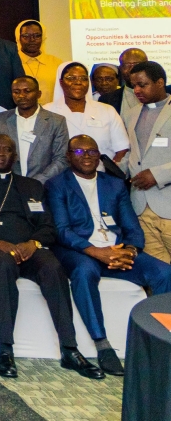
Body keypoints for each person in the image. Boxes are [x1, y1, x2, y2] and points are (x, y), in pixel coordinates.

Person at [0, 134, 103, 379]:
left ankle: (70, 349)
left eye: (6, 150)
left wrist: (33, 243)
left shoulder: (32, 186)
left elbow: (48, 226)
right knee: (3, 266)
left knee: (53, 267)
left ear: (14, 157)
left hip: (30, 249)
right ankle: (5, 349)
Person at [46, 134, 171, 375]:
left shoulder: (113, 184)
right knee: (84, 272)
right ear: (69, 156)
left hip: (116, 251)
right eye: (80, 152)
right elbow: (61, 231)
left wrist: (129, 251)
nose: (87, 156)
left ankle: (160, 342)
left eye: (92, 151)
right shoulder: (57, 185)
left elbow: (132, 228)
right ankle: (102, 345)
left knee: (164, 273)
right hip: (79, 251)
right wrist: (96, 252)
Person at [123, 61, 171, 264]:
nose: (137, 90)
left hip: (168, 201)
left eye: (142, 85)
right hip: (141, 207)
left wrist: (157, 174)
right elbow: (133, 155)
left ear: (160, 82)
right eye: (134, 86)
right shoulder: (131, 113)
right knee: (159, 274)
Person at [44, 62, 129, 165]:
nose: (78, 82)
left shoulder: (107, 110)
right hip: (61, 177)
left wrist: (110, 172)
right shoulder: (46, 111)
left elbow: (122, 148)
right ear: (61, 83)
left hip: (102, 175)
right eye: (71, 78)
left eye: (83, 78)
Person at [0, 76, 69, 184]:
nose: (21, 96)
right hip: (9, 185)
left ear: (39, 94)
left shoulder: (56, 121)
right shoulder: (1, 119)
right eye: (16, 92)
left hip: (43, 185)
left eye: (27, 91)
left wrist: (38, 181)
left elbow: (61, 158)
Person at [15, 20, 61, 106]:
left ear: (42, 38)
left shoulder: (56, 63)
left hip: (51, 115)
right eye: (26, 36)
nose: (32, 40)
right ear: (18, 38)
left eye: (37, 36)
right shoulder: (12, 61)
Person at [104, 47, 146, 115]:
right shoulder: (107, 99)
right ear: (120, 69)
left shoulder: (163, 94)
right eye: (127, 65)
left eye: (137, 65)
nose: (132, 69)